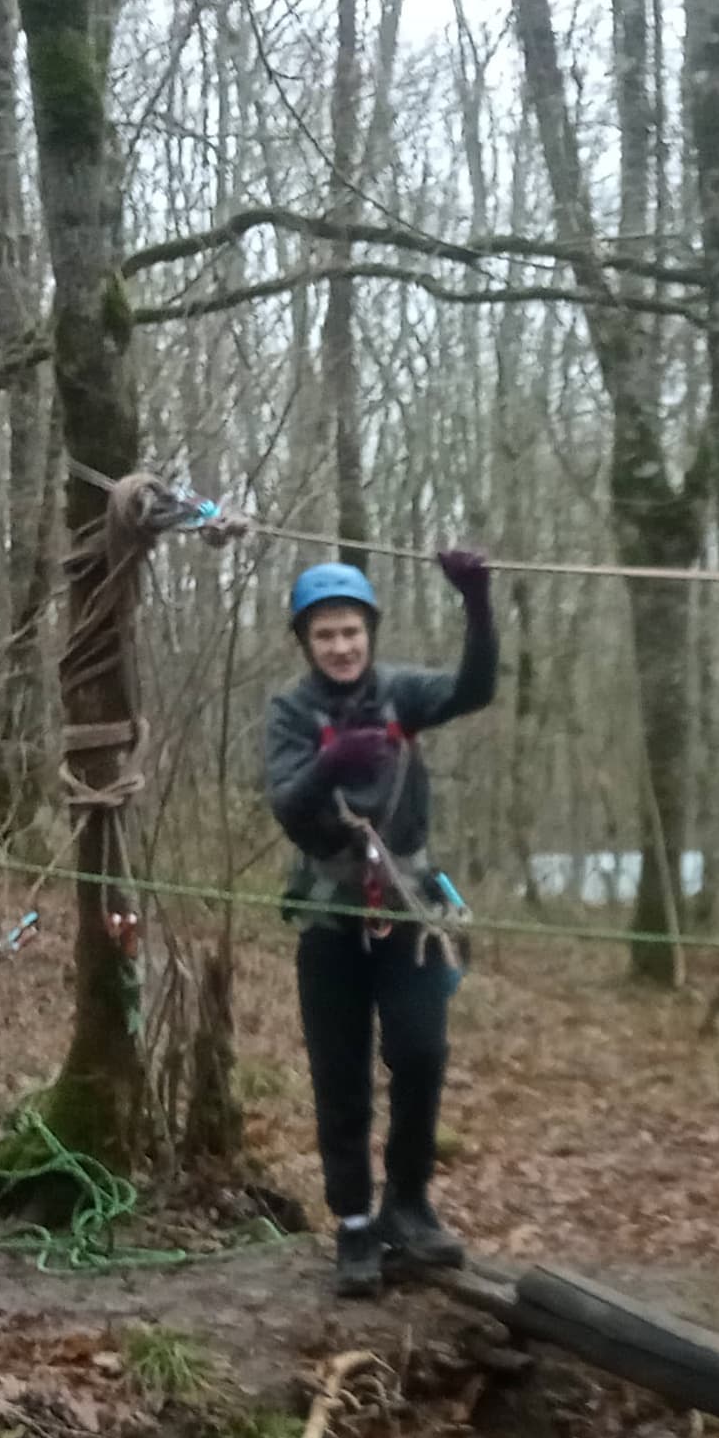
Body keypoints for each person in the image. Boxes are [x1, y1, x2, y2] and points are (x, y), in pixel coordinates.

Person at [266, 548, 498, 1296]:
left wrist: (477, 603)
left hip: (408, 913)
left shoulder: (402, 693)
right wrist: (333, 765)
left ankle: (408, 1203)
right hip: (332, 922)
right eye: (325, 635)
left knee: (422, 1053)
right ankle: (354, 1223)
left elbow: (475, 689)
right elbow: (288, 809)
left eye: (351, 632)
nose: (341, 646)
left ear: (369, 633)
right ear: (307, 642)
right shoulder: (292, 712)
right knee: (341, 1078)